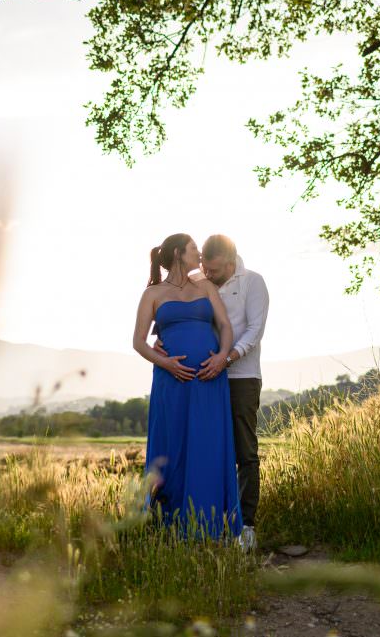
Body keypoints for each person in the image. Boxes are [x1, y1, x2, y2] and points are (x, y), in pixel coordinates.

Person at [156, 234, 268, 550]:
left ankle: (245, 526)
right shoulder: (196, 280)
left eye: (215, 269)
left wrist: (226, 358)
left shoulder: (253, 283)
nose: (207, 272)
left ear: (231, 263)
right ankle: (203, 520)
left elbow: (254, 331)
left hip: (240, 377)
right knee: (204, 450)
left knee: (244, 452)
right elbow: (176, 317)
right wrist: (161, 341)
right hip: (202, 379)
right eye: (204, 264)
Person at [132, 233, 243, 539]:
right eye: (195, 249)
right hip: (172, 381)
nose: (200, 254)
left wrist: (221, 357)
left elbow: (225, 326)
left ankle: (206, 524)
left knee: (208, 444)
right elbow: (138, 342)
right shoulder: (153, 293)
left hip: (209, 379)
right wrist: (165, 362)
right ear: (180, 253)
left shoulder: (205, 287)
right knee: (172, 444)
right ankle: (166, 521)